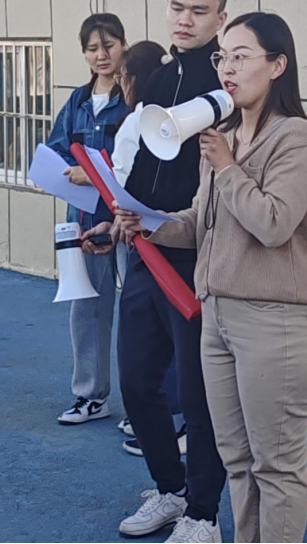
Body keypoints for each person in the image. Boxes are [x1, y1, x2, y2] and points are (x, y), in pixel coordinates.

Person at [98, 12, 307, 544]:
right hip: (219, 315)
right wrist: (150, 225)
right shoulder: (222, 136)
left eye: (241, 57)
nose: (227, 68)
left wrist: (227, 167)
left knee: (276, 465)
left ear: (278, 65)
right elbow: (202, 222)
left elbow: (273, 223)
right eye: (223, 57)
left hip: (274, 321)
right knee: (238, 459)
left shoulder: (295, 138)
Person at [86, 0, 228, 544]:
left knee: (199, 395)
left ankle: (204, 514)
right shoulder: (158, 77)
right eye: (176, 7)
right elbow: (143, 165)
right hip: (146, 252)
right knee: (139, 382)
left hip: (197, 256)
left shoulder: (228, 81)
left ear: (220, 15)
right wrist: (116, 218)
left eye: (198, 10)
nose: (185, 19)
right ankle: (171, 490)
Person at [46, 13, 129, 425]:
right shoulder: (78, 101)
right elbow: (56, 151)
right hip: (83, 220)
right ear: (83, 53)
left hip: (129, 220)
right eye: (92, 48)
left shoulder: (133, 98)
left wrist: (94, 171)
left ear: (123, 45)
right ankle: (91, 397)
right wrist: (68, 172)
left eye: (109, 45)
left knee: (139, 312)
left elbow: (140, 155)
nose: (101, 55)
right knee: (87, 308)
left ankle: (148, 405)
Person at [109, 41, 189, 458]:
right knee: (166, 346)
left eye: (123, 76)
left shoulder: (139, 120)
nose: (119, 83)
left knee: (159, 345)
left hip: (154, 240)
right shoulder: (164, 115)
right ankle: (171, 429)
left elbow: (122, 182)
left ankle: (169, 423)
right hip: (157, 234)